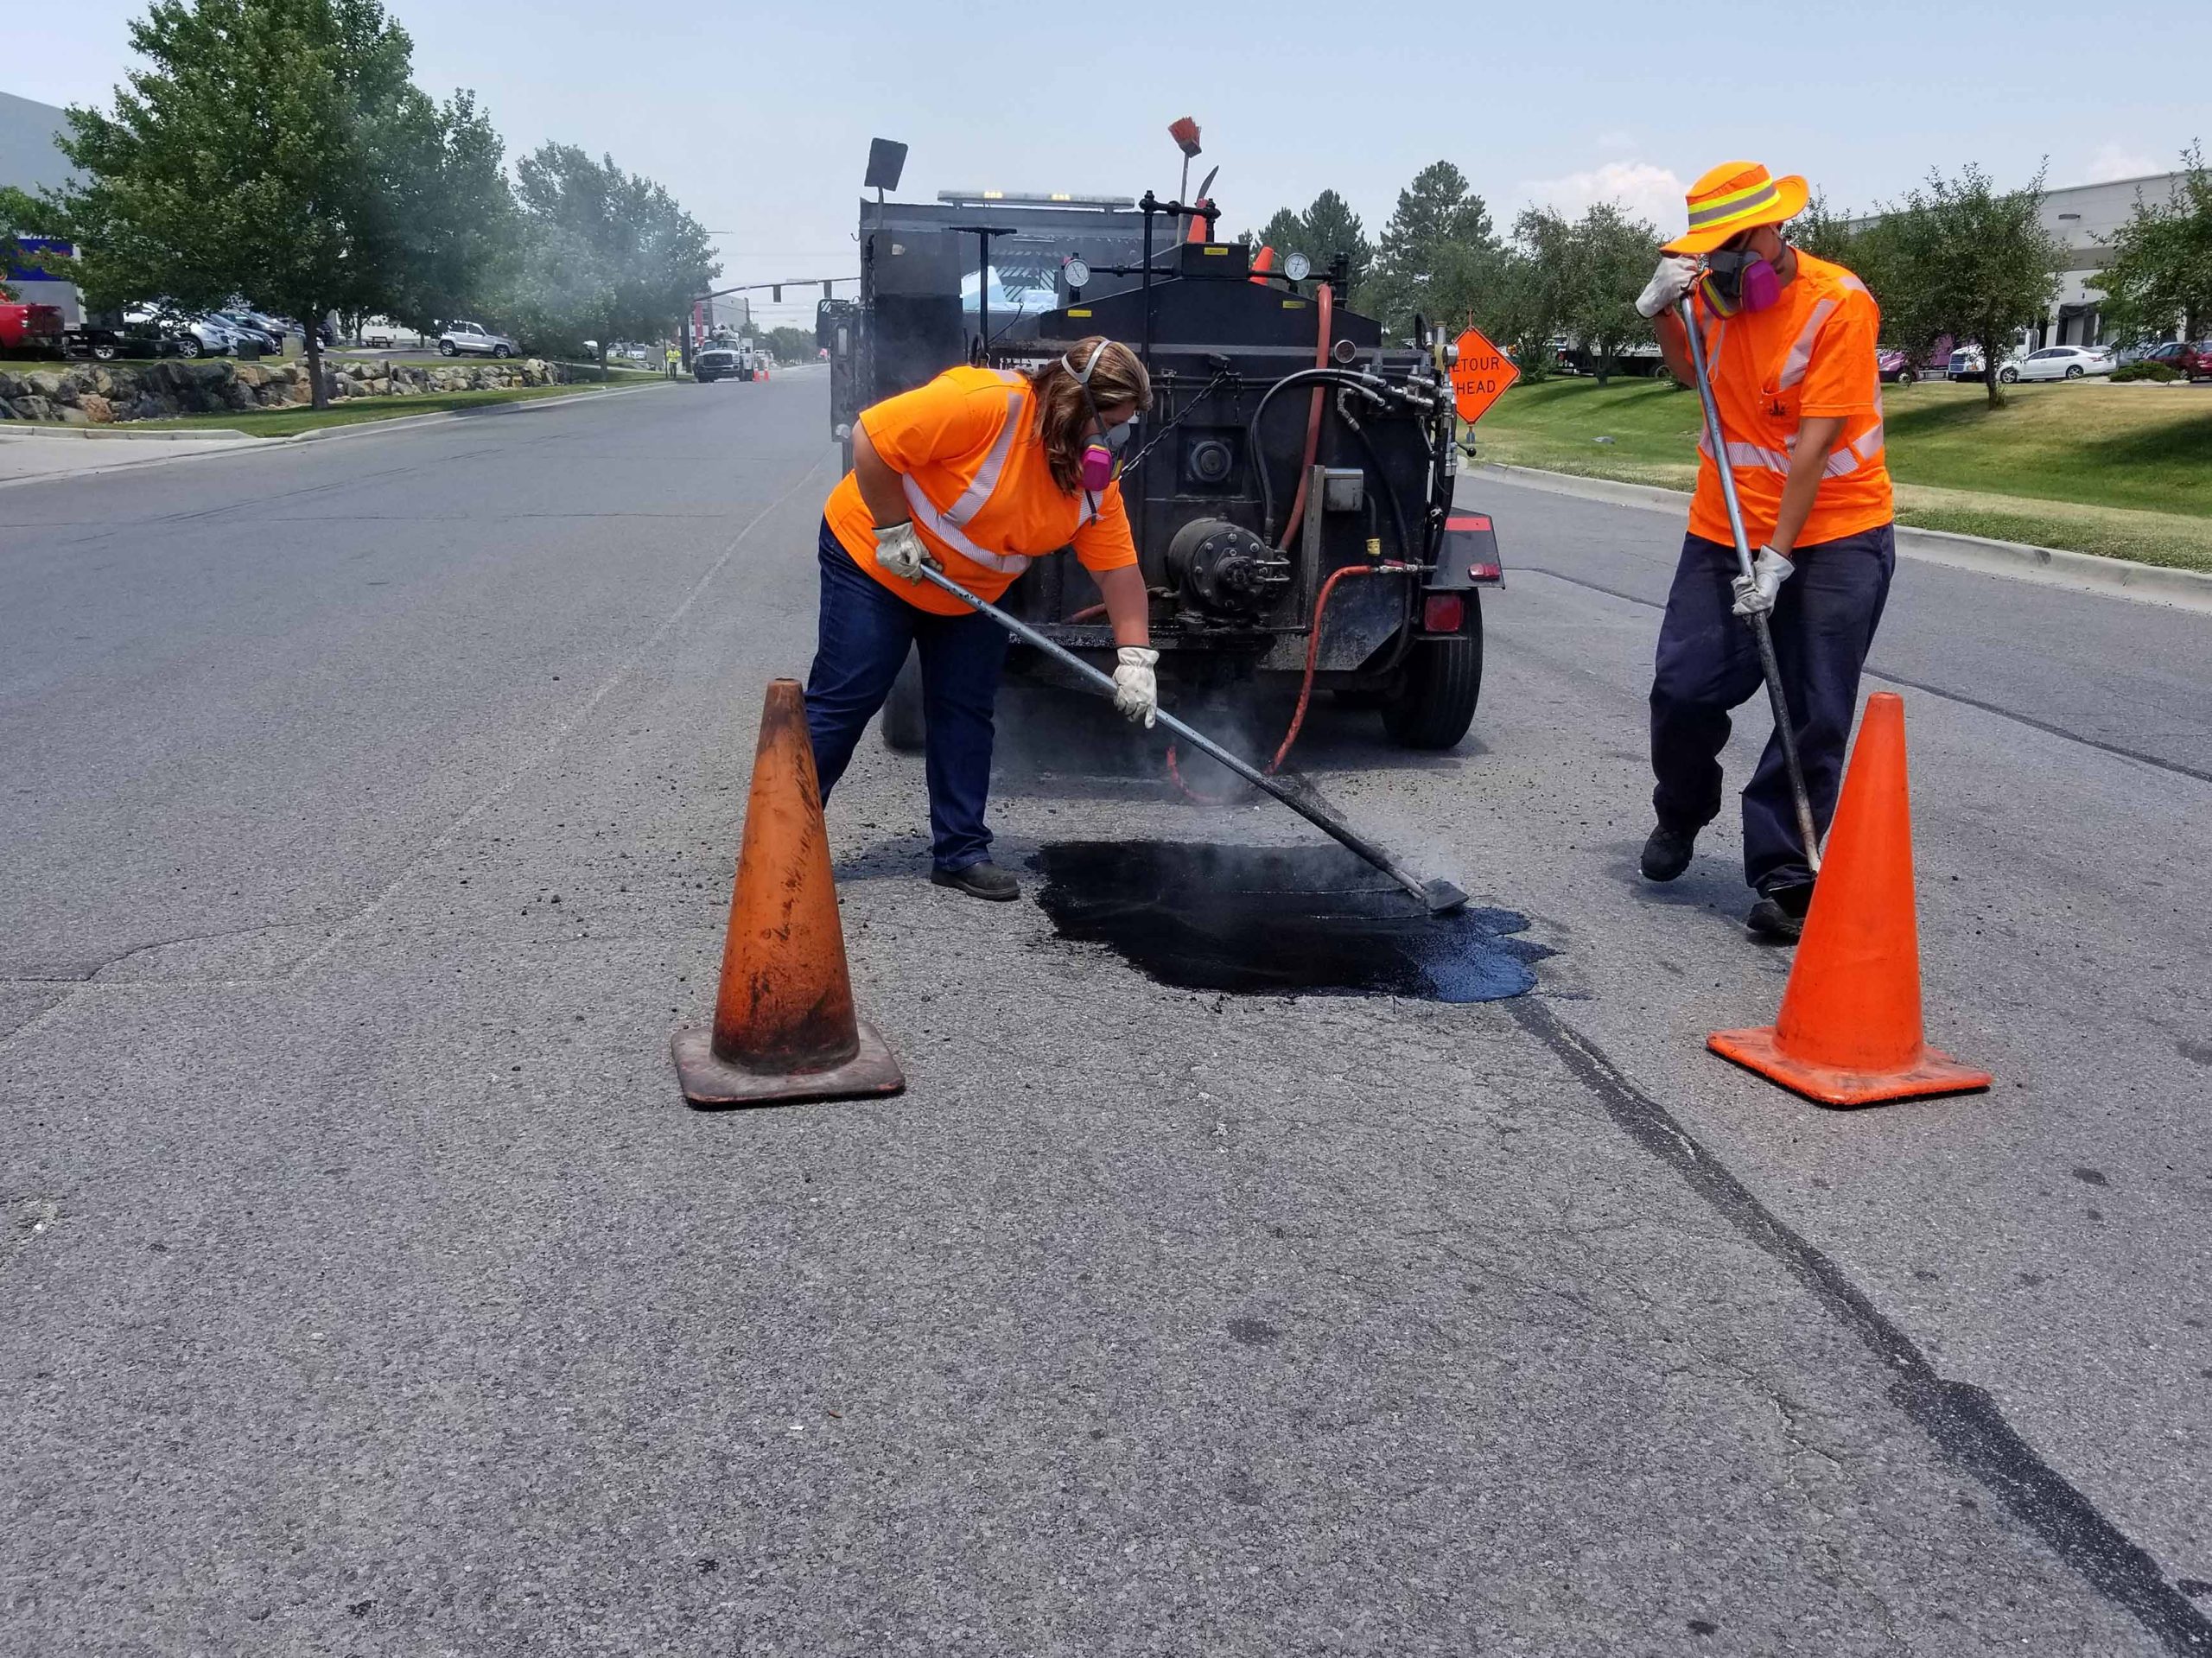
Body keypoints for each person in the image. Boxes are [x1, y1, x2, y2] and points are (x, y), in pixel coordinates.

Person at [1633, 161, 1897, 943]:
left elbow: (1817, 444)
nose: (1715, 264)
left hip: (1835, 536)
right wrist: (1659, 315)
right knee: (1682, 689)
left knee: (1812, 709)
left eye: (1726, 248)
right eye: (1705, 252)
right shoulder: (1711, 304)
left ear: (1771, 232)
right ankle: (1680, 813)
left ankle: (1785, 874)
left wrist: (1778, 559)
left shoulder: (1838, 304)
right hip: (1721, 531)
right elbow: (1692, 376)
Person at [804, 337, 1159, 901]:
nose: (1114, 440)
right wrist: (895, 528)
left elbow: (1119, 574)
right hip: (876, 559)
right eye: (1111, 423)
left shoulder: (1092, 485)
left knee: (965, 712)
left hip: (969, 594)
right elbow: (871, 439)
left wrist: (1135, 659)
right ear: (1074, 404)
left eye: (1125, 426)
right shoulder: (987, 403)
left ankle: (960, 851)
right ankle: (785, 836)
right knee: (848, 695)